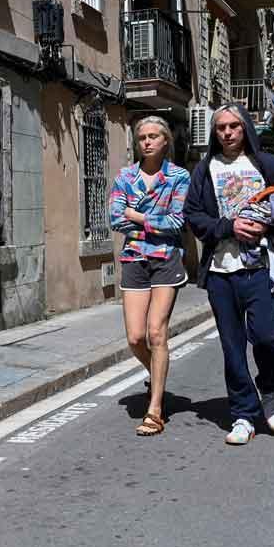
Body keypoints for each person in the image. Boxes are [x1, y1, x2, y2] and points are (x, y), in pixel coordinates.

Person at [186, 105, 274, 445]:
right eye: (220, 127)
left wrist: (267, 222)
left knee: (266, 336)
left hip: (260, 268)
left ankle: (268, 388)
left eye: (233, 126)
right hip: (221, 272)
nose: (226, 132)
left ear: (245, 128)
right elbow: (193, 215)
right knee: (232, 346)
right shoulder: (205, 170)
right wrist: (228, 225)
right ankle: (242, 414)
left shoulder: (268, 165)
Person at [108, 116, 191, 437]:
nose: (147, 141)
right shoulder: (125, 176)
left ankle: (155, 409)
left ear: (165, 140)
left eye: (154, 136)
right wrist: (153, 219)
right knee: (135, 338)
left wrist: (137, 215)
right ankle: (157, 374)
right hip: (134, 259)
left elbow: (177, 222)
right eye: (142, 136)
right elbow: (116, 219)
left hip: (166, 261)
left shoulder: (179, 177)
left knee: (157, 334)